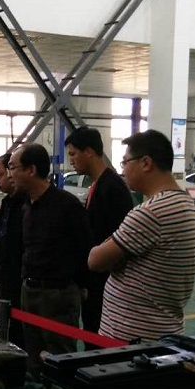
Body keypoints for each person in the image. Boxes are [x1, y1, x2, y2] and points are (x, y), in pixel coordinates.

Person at [89, 129, 195, 342]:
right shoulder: (184, 204)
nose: (123, 170)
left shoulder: (151, 212)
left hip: (131, 339)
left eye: (125, 162)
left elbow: (95, 260)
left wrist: (113, 247)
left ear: (146, 163)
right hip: (161, 331)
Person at [8, 144, 90, 373]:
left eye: (13, 167)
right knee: (33, 356)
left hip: (58, 295)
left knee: (60, 357)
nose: (10, 174)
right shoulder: (27, 206)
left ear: (31, 170)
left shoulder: (67, 206)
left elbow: (84, 248)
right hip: (30, 291)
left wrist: (79, 288)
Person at [65, 127, 134, 341]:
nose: (71, 161)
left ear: (89, 152)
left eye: (73, 154)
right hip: (94, 281)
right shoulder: (98, 185)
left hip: (106, 283)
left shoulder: (112, 189)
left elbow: (118, 240)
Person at [0, 152, 26, 349]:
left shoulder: (26, 205)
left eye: (0, 174)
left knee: (20, 327)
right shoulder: (6, 202)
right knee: (7, 323)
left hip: (20, 278)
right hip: (5, 276)